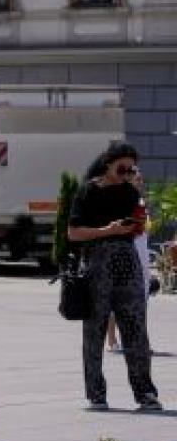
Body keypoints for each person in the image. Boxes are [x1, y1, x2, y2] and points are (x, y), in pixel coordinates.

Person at [68, 141, 160, 411]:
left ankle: (145, 393)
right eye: (122, 168)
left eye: (131, 169)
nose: (126, 174)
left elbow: (136, 229)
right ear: (108, 163)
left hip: (128, 263)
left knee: (136, 329)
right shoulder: (88, 191)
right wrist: (107, 230)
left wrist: (136, 223)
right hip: (98, 265)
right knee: (94, 330)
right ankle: (96, 393)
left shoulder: (130, 193)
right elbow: (73, 233)